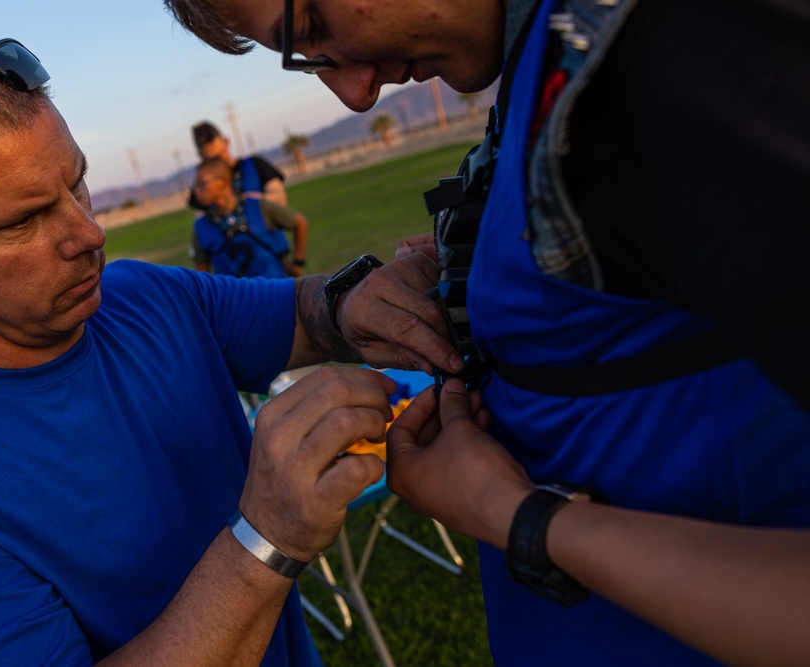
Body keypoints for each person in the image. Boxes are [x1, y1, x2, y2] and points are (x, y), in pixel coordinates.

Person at [163, 0, 810, 665]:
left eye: (314, 33)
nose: (355, 93)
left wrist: (516, 517)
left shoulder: (667, 46)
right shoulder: (551, 59)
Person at [0, 37, 445, 665]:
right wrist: (266, 537)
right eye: (20, 222)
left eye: (76, 185)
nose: (88, 234)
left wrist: (355, 304)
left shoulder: (140, 296)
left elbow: (302, 315)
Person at [191, 157, 308, 278]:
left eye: (201, 184)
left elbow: (300, 223)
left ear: (222, 182)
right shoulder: (201, 226)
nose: (196, 191)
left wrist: (297, 264)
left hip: (276, 290)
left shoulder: (258, 206)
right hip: (234, 296)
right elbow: (202, 273)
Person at [187, 120, 288, 209]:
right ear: (201, 156)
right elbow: (201, 218)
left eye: (222, 153)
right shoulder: (203, 185)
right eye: (213, 159)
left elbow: (280, 198)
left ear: (226, 142)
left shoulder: (255, 164)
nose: (220, 161)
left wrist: (245, 202)